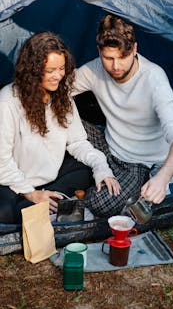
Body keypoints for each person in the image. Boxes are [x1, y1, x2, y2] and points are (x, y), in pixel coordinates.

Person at [73, 14, 173, 217]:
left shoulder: (154, 77)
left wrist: (162, 178)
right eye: (108, 58)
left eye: (122, 57)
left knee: (103, 205)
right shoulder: (93, 69)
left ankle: (79, 200)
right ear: (99, 51)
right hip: (108, 145)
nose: (116, 66)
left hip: (139, 163)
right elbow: (56, 90)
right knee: (57, 116)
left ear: (134, 49)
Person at [0, 31, 120, 224]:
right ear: (32, 70)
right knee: (4, 212)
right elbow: (2, 161)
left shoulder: (62, 96)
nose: (58, 76)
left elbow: (78, 142)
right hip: (15, 183)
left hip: (53, 178)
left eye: (62, 68)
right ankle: (44, 205)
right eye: (50, 71)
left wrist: (101, 167)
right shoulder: (8, 100)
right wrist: (31, 193)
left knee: (89, 173)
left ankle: (46, 206)